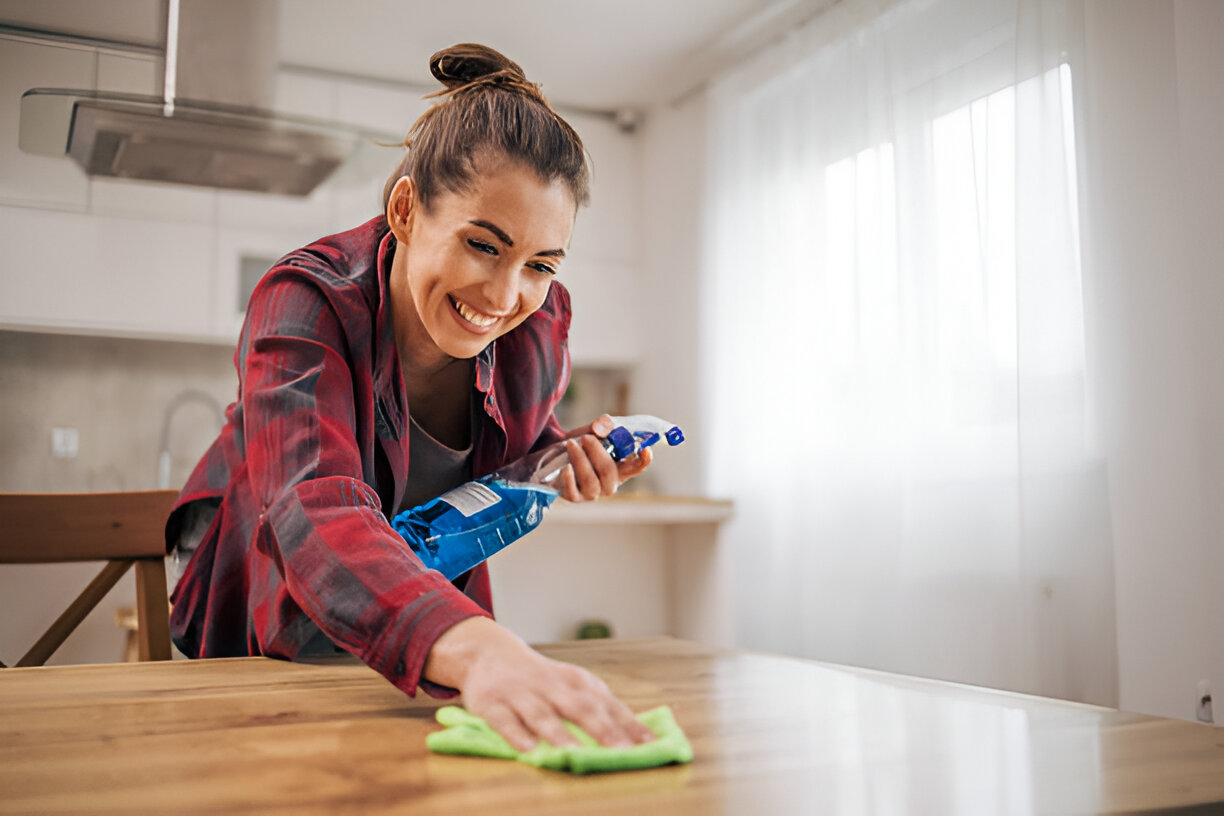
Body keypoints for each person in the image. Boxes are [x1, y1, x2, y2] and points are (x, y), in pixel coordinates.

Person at [165, 43, 655, 752]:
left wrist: (562, 456)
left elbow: (513, 438)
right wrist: (485, 651)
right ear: (405, 210)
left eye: (540, 264)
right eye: (483, 245)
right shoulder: (305, 301)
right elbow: (314, 506)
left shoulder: (537, 325)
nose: (504, 295)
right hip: (269, 647)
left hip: (419, 663)